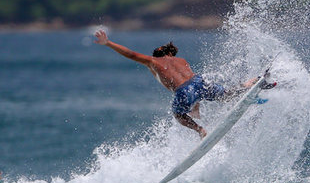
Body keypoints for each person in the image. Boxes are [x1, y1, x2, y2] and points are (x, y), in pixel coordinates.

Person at [93, 28, 273, 138]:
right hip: (199, 82)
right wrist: (196, 106)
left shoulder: (155, 62)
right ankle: (253, 83)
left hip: (184, 91)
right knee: (226, 95)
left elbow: (131, 54)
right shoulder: (182, 60)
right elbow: (195, 88)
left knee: (178, 115)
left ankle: (200, 130)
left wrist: (108, 42)